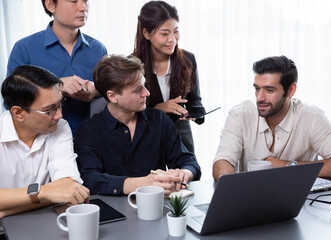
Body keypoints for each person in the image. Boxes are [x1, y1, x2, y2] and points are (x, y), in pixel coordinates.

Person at [213, 56, 331, 181]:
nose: (260, 98)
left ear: (290, 90)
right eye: (257, 88)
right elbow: (223, 161)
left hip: (299, 204)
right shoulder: (240, 114)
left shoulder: (312, 117)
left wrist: (286, 166)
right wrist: (231, 186)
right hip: (251, 202)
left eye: (269, 90)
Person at [74, 54, 201, 197]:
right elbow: (89, 179)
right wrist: (143, 184)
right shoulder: (89, 130)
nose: (146, 93)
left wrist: (185, 173)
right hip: (113, 211)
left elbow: (189, 162)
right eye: (137, 90)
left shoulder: (159, 120)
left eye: (144, 85)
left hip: (158, 207)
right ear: (112, 96)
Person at [0, 65, 89, 220]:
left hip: (46, 223)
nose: (59, 115)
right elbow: (57, 193)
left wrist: (6, 209)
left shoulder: (60, 127)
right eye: (50, 110)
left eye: (60, 104)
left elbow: (68, 188)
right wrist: (46, 193)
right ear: (18, 112)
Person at [6, 0, 107, 135]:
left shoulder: (98, 49)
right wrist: (56, 85)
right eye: (74, 1)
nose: (83, 7)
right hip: (41, 142)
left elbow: (114, 95)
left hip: (90, 140)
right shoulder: (24, 48)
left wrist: (96, 90)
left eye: (85, 1)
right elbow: (11, 101)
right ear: (50, 5)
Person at [133, 1, 205, 153]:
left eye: (176, 31)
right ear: (146, 33)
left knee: (188, 174)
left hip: (181, 138)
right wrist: (159, 109)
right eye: (165, 34)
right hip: (146, 139)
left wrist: (195, 113)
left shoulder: (188, 59)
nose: (173, 39)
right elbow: (128, 113)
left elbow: (195, 101)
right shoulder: (132, 65)